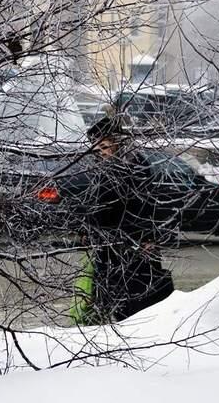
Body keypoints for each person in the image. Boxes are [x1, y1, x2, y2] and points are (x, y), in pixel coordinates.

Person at [81, 116, 174, 323]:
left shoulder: (136, 167)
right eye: (95, 147)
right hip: (109, 246)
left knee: (136, 304)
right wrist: (88, 230)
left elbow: (147, 207)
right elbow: (97, 205)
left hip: (134, 246)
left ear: (117, 143)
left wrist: (149, 238)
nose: (99, 151)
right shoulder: (105, 168)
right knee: (109, 299)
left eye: (103, 146)